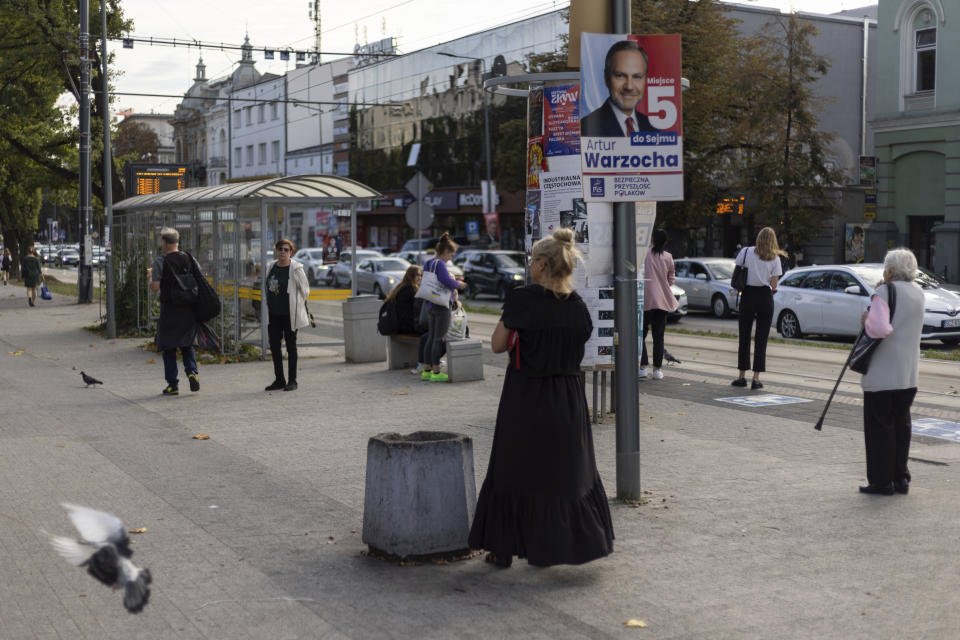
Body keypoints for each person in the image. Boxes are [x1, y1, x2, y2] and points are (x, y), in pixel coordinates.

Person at [469, 228, 614, 568]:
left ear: (543, 267)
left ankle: (503, 548)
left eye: (533, 259)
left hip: (525, 396)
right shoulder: (579, 309)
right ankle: (560, 547)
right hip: (567, 400)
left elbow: (497, 344)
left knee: (513, 470)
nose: (530, 264)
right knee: (564, 473)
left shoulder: (524, 299)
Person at [858, 249, 924, 496]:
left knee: (879, 429)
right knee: (901, 425)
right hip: (908, 374)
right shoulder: (918, 293)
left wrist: (866, 318)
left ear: (890, 270)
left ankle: (881, 481)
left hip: (882, 374)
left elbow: (878, 328)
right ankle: (900, 478)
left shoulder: (884, 292)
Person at [732, 227, 785, 390]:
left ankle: (741, 376)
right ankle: (756, 378)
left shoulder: (746, 252)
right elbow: (774, 284)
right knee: (761, 339)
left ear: (758, 238)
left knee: (744, 336)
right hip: (765, 297)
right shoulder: (775, 258)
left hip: (747, 295)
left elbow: (737, 272)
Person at [149, 228, 200, 396]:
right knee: (187, 343)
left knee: (168, 347)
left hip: (170, 309)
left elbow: (155, 288)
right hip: (188, 309)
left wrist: (151, 279)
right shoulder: (189, 259)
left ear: (164, 243)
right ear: (177, 242)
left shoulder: (160, 261)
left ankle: (173, 385)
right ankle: (192, 372)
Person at [580, 40, 657, 138]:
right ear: (606, 78)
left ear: (645, 79)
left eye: (637, 77)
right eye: (620, 76)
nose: (629, 87)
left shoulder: (653, 127)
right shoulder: (586, 129)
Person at [264, 238, 311, 392]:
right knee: (275, 346)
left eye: (286, 250)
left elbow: (305, 290)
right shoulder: (270, 266)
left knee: (291, 346)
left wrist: (295, 302)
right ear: (276, 251)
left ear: (291, 252)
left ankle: (292, 380)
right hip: (274, 314)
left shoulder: (296, 268)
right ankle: (279, 379)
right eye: (280, 249)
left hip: (290, 315)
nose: (282, 252)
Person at [421, 233, 465, 383]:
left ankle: (426, 370)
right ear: (445, 251)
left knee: (431, 337)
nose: (451, 256)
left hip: (430, 304)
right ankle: (436, 371)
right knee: (438, 339)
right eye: (451, 253)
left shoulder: (429, 262)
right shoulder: (440, 264)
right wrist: (459, 284)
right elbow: (445, 280)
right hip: (441, 305)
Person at [640, 229, 678, 380]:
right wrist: (663, 285)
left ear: (653, 239)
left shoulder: (644, 254)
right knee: (659, 336)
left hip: (645, 300)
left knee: (641, 334)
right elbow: (671, 278)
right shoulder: (668, 256)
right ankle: (657, 369)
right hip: (662, 301)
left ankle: (642, 366)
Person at [384, 265, 429, 374]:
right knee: (430, 334)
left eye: (421, 275)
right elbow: (416, 311)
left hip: (400, 325)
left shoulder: (402, 286)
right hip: (405, 326)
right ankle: (427, 362)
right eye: (417, 275)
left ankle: (427, 362)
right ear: (411, 275)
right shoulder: (410, 289)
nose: (420, 278)